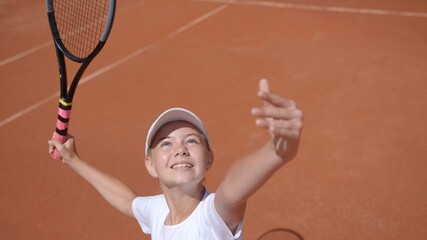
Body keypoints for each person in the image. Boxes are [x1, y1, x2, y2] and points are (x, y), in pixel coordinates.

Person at [48, 79, 303, 239]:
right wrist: (74, 160)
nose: (180, 149)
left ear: (209, 160)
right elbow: (127, 201)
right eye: (166, 144)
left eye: (191, 140)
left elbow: (234, 188)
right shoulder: (158, 212)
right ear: (150, 165)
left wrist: (276, 152)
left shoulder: (214, 215)